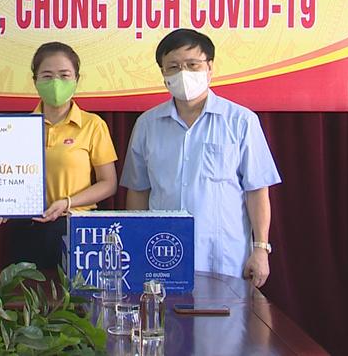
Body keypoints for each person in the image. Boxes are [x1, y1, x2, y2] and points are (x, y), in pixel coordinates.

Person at [120, 29, 282, 287]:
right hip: (162, 255)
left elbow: (257, 190)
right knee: (163, 314)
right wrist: (137, 245)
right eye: (173, 67)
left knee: (227, 315)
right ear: (163, 74)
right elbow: (138, 191)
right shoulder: (147, 125)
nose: (183, 73)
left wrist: (261, 249)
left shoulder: (241, 121)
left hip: (224, 257)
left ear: (210, 68)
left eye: (192, 65)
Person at [6, 42, 118, 269]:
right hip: (27, 228)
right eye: (47, 76)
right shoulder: (19, 127)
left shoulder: (93, 125)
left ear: (76, 79)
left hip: (75, 228)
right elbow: (6, 177)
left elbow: (108, 183)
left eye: (64, 75)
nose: (56, 83)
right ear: (35, 81)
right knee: (26, 290)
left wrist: (67, 203)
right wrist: (1, 205)